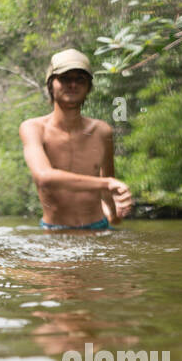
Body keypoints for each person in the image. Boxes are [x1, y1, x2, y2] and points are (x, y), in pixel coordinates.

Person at [19, 49, 133, 230]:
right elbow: (44, 177)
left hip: (99, 227)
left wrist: (113, 213)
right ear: (51, 85)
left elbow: (107, 182)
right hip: (54, 231)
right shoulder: (33, 128)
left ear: (89, 87)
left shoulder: (102, 131)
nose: (72, 85)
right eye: (64, 78)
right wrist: (108, 183)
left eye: (80, 79)